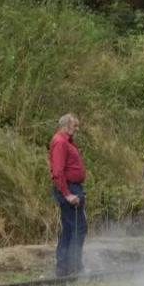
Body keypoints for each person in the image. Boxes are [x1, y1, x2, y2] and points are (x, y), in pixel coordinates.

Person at [48, 114, 87, 277]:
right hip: (68, 188)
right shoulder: (60, 142)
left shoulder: (67, 142)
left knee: (70, 228)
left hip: (72, 187)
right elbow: (58, 171)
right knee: (79, 227)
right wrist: (67, 194)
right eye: (75, 126)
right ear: (66, 125)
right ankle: (72, 266)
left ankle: (65, 266)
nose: (77, 129)